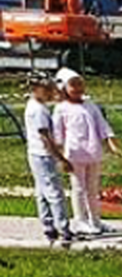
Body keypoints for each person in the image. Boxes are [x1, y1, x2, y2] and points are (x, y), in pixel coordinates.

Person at [51, 68, 118, 238]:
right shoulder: (61, 109)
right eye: (73, 85)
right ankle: (80, 220)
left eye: (81, 84)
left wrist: (110, 142)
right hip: (74, 154)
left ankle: (95, 220)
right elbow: (58, 134)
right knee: (78, 188)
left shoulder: (90, 104)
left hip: (92, 151)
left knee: (92, 188)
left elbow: (101, 124)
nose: (79, 88)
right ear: (64, 88)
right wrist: (60, 156)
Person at [24, 73, 70, 245]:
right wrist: (60, 158)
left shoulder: (33, 105)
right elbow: (45, 137)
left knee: (42, 191)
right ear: (36, 89)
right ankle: (63, 227)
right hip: (43, 155)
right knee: (54, 192)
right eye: (48, 89)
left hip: (35, 153)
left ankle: (48, 226)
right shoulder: (39, 110)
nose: (52, 92)